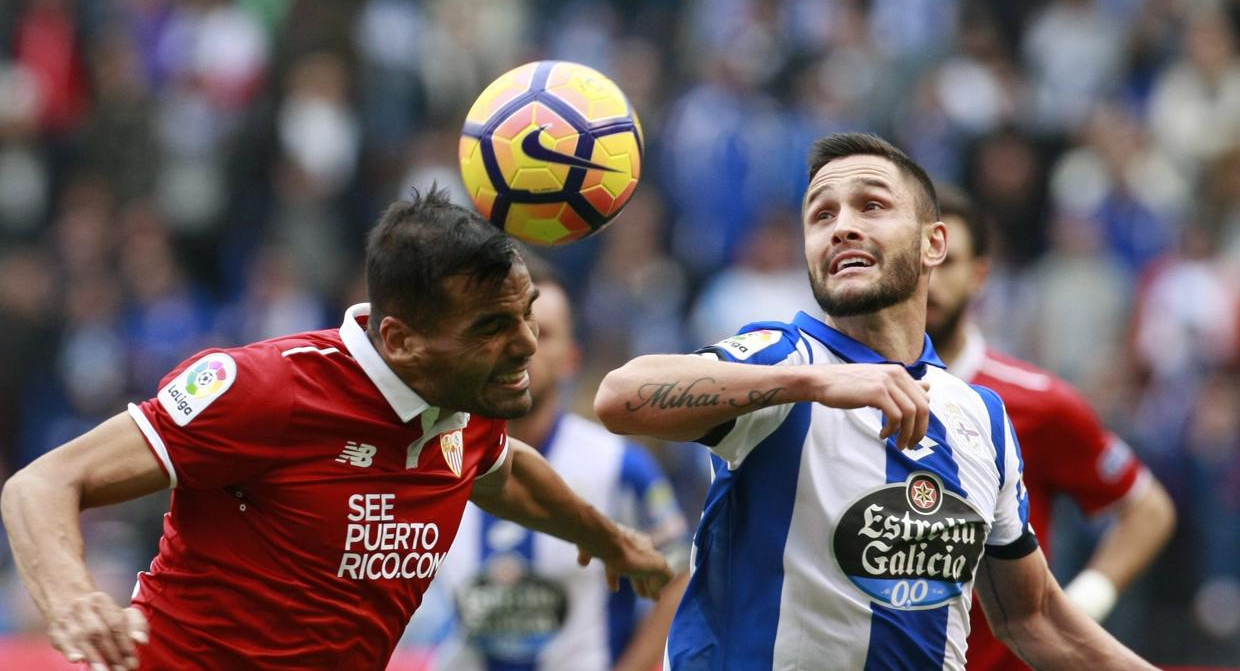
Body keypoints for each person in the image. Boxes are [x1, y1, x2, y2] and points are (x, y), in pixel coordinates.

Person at [0, 187, 673, 671]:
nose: (527, 345)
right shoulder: (264, 390)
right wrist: (73, 602)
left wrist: (609, 541)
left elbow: (504, 473)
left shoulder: (462, 407)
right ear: (401, 340)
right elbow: (40, 483)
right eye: (493, 328)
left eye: (526, 315)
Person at [594, 132, 1156, 670]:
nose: (842, 227)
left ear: (934, 243)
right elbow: (619, 397)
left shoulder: (981, 418)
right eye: (821, 215)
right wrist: (813, 385)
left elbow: (1035, 620)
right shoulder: (781, 359)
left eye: (871, 206)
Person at [925, 185, 1176, 670]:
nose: (928, 279)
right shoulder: (845, 391)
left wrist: (1087, 598)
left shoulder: (1036, 402)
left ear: (980, 275)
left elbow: (1148, 510)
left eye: (946, 261)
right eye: (917, 261)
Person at [412, 257, 692, 671]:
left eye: (542, 334)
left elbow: (678, 579)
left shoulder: (620, 465)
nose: (521, 347)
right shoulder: (440, 457)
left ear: (571, 358)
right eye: (499, 329)